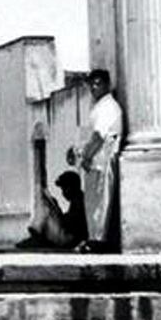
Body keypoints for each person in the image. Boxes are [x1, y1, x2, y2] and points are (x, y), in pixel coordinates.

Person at [68, 69, 124, 253]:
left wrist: (86, 156)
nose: (93, 87)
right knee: (93, 201)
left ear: (107, 85)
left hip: (102, 160)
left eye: (98, 83)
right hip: (96, 161)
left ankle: (98, 240)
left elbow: (99, 136)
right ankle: (94, 238)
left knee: (100, 201)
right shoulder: (99, 106)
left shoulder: (108, 107)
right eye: (91, 83)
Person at [17, 170, 88, 250]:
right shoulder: (78, 199)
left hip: (70, 240)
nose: (63, 193)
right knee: (49, 207)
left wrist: (58, 213)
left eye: (65, 188)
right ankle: (38, 234)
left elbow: (72, 224)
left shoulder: (79, 201)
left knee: (46, 208)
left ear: (72, 187)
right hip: (70, 237)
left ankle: (37, 233)